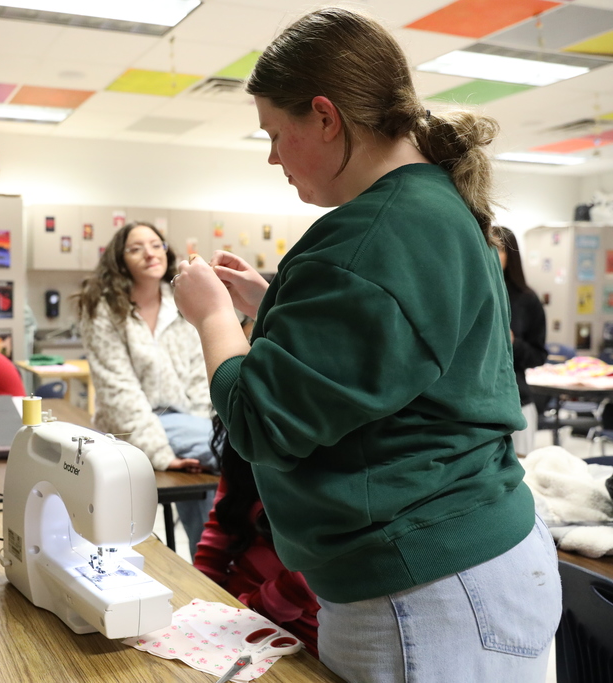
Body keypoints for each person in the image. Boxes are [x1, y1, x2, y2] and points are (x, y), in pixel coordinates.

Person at [171, 8, 561, 682]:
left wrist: (211, 317)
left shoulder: (365, 240)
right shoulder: (435, 206)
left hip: (428, 583)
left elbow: (260, 419)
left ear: (325, 117)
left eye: (274, 133)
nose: (271, 156)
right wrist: (276, 307)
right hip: (479, 564)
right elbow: (406, 354)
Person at [75, 221, 217, 558]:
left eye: (155, 244)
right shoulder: (104, 309)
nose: (149, 253)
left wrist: (204, 424)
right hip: (133, 426)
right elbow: (118, 390)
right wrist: (162, 454)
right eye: (136, 248)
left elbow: (201, 372)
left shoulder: (182, 302)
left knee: (214, 460)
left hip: (189, 421)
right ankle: (221, 569)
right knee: (229, 451)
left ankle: (212, 567)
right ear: (120, 260)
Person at [193, 417, 320, 657]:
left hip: (299, 632)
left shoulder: (319, 453)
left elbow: (309, 576)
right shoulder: (243, 441)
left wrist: (251, 610)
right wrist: (200, 593)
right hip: (240, 609)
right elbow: (221, 528)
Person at [497, 227, 548, 456]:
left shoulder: (526, 299)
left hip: (516, 400)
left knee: (519, 476)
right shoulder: (468, 292)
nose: (490, 254)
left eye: (498, 249)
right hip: (473, 404)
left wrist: (512, 342)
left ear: (511, 254)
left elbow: (538, 355)